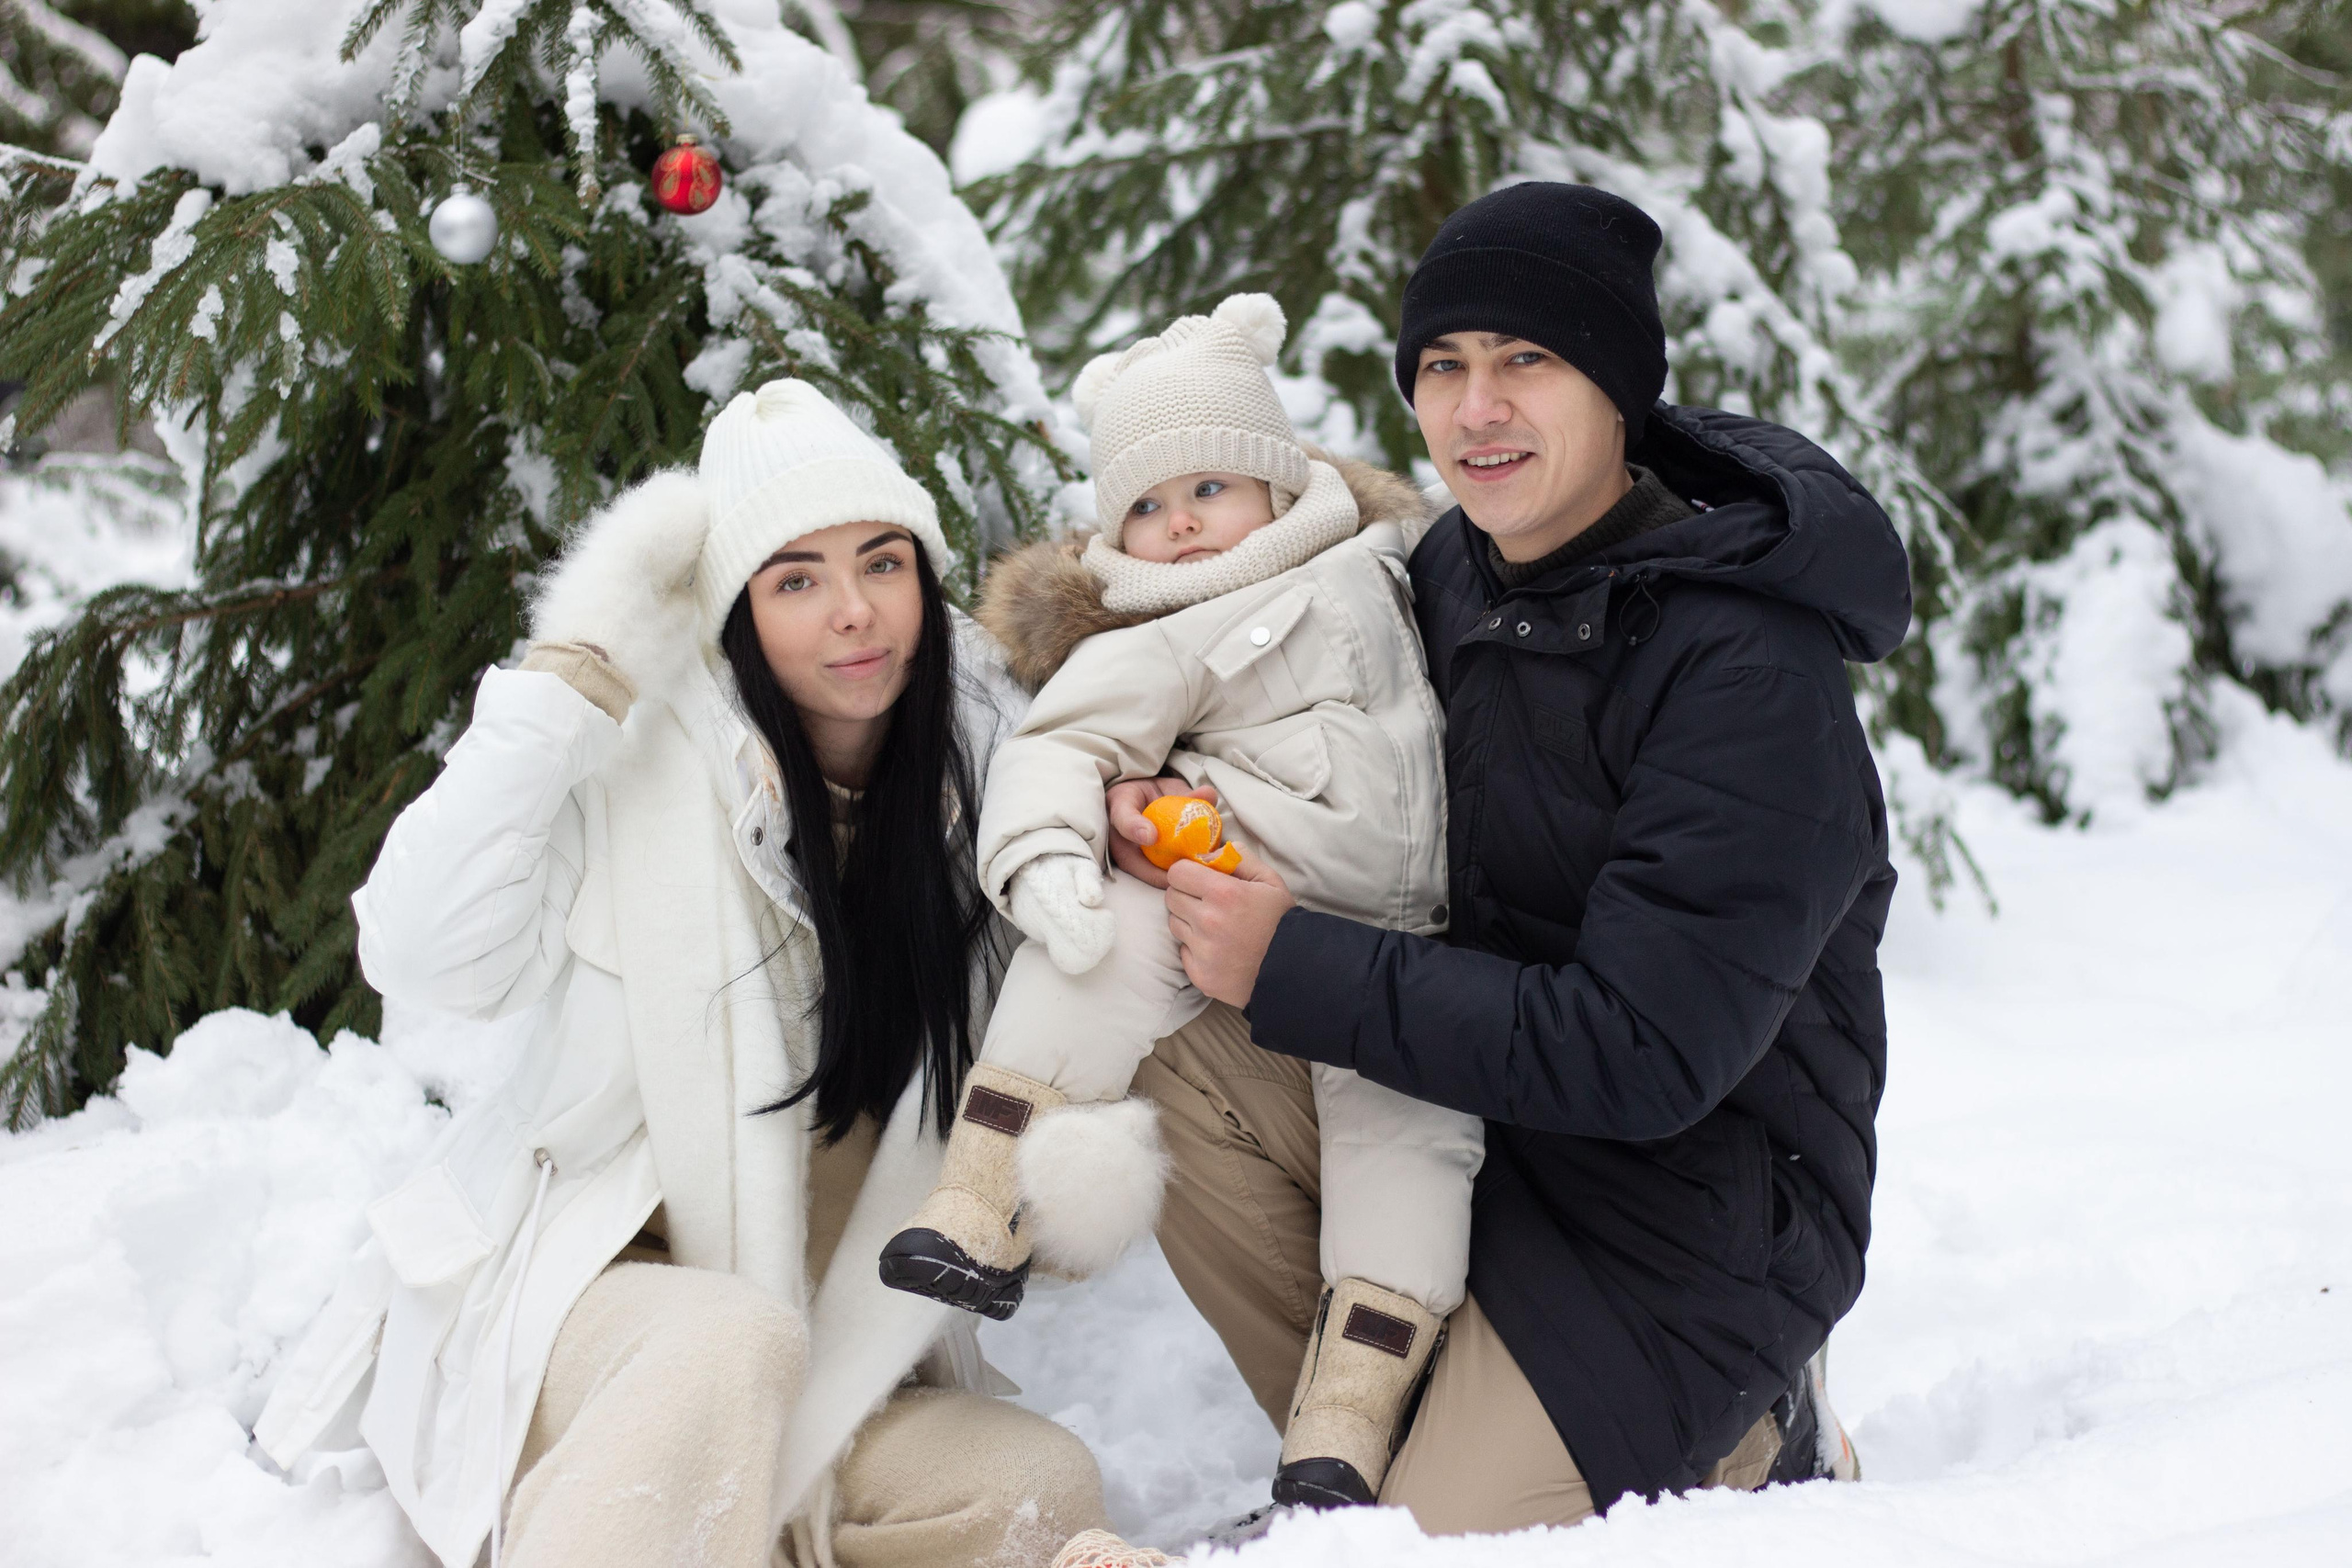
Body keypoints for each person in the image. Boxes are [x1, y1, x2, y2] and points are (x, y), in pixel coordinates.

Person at [1116, 181, 1899, 1534]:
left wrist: (1294, 963)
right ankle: (1359, 1444)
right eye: (1444, 366)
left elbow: (1647, 1053)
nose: (1477, 408)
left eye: (1526, 360)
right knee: (1164, 1028)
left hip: (1683, 1229)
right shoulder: (1444, 574)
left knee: (1425, 1549)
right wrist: (1170, 805)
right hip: (1470, 1130)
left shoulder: (1746, 670)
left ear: (1618, 392)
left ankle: (1748, 1429)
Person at [252, 381, 1111, 1568]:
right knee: (724, 1343)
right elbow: (423, 952)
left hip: (833, 1350)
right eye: (795, 581)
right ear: (737, 613)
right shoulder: (632, 752)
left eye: (883, 563)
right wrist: (568, 682)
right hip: (593, 1314)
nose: (855, 612)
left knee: (1037, 1487)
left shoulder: (1001, 790)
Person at [876, 296, 1483, 1512]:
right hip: (1224, 884)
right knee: (1099, 945)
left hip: (1404, 943)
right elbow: (1062, 744)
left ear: (1277, 480)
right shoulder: (1160, 625)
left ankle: (1348, 1413)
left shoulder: (1395, 561)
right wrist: (1047, 857)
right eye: (1146, 507)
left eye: (1209, 487)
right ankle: (982, 1197)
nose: (1181, 525)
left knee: (1415, 1151)